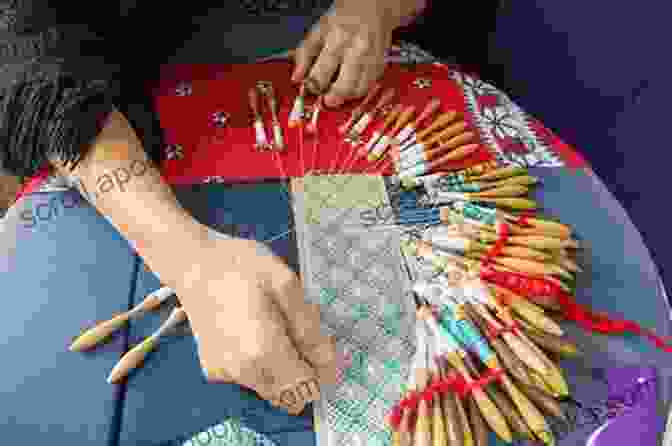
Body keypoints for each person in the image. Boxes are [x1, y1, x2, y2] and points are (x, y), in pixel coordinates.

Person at [0, 0, 428, 415]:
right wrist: (189, 260)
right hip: (126, 90)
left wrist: (378, 6)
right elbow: (29, 55)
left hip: (344, 49)